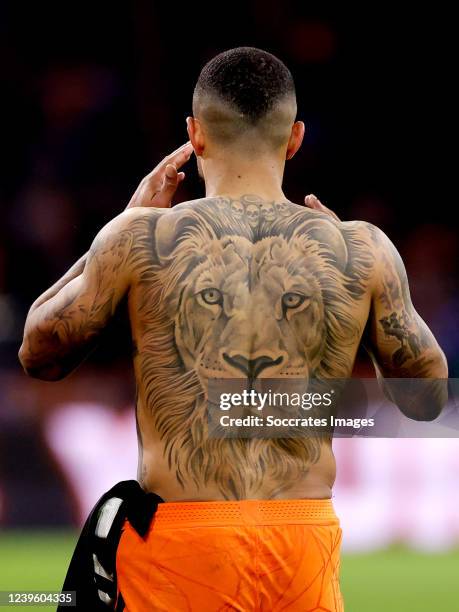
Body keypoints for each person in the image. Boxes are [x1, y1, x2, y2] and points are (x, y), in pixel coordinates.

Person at [19, 47, 448, 611]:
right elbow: (426, 398)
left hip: (181, 545)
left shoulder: (140, 238)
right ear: (294, 138)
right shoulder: (358, 248)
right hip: (301, 543)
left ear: (194, 135)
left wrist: (119, 228)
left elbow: (39, 351)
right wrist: (360, 292)